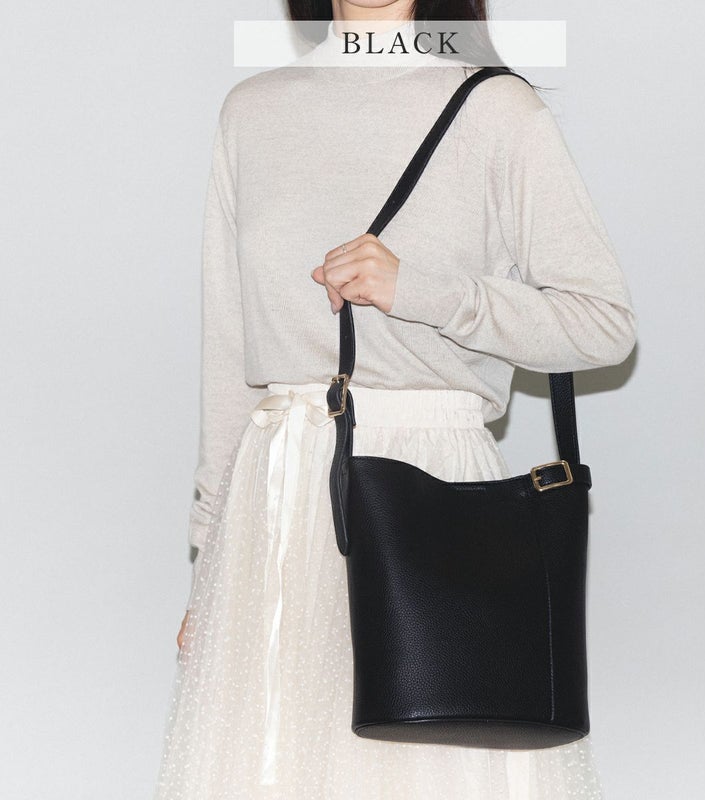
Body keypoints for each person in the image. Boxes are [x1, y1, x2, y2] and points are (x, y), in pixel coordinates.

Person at [153, 1, 637, 797]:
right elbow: (231, 356)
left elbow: (602, 325)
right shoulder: (252, 111)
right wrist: (208, 560)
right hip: (272, 503)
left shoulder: (496, 108)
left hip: (427, 486)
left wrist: (420, 290)